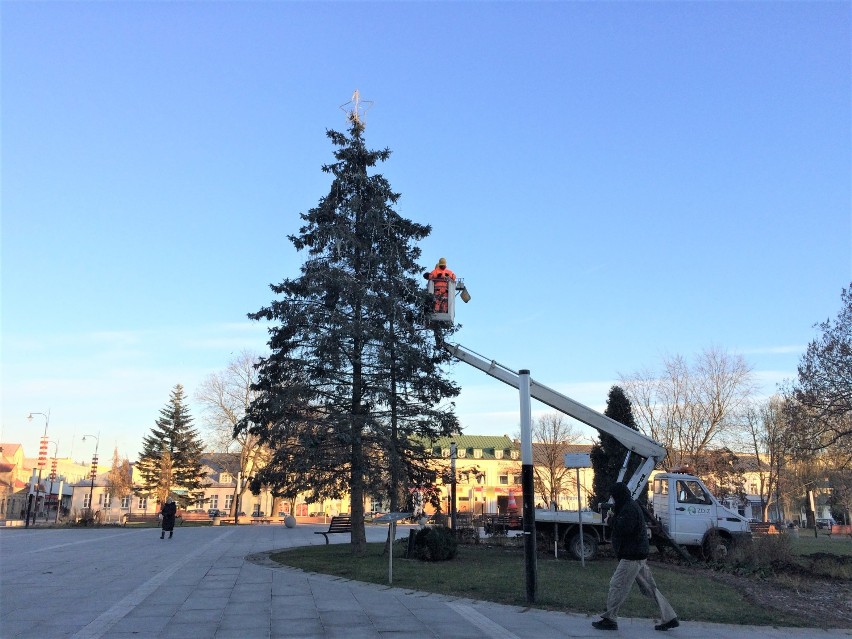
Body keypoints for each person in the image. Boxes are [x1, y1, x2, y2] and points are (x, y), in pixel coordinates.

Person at [592, 482, 679, 632]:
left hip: (632, 556)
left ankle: (610, 619)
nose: (613, 500)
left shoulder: (629, 508)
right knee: (650, 588)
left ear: (619, 495)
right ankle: (670, 617)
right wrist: (615, 517)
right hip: (637, 554)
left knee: (617, 585)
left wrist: (610, 521)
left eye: (614, 497)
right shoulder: (627, 506)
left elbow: (625, 528)